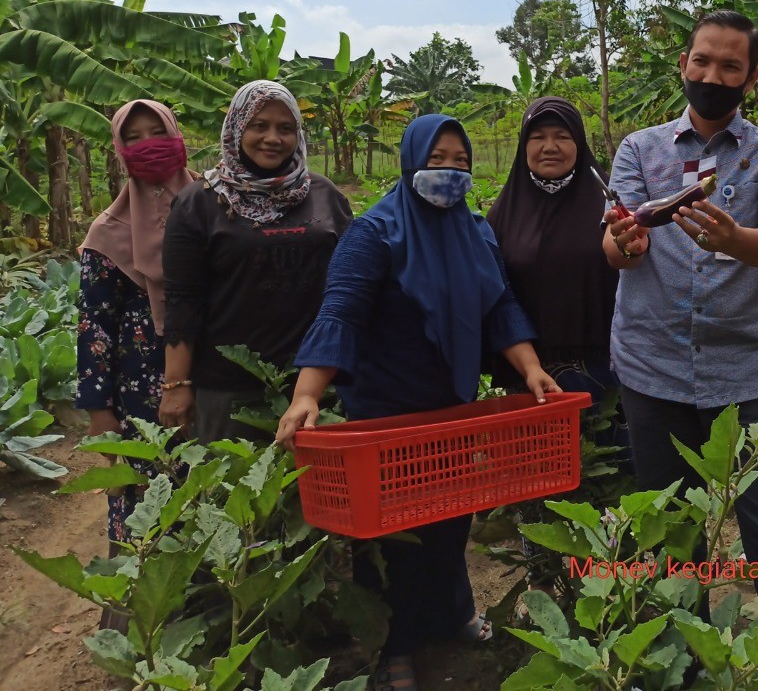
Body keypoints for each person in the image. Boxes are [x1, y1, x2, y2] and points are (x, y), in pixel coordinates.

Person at [276, 114, 559, 691]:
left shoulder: (475, 231)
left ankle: (452, 613)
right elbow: (341, 311)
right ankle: (394, 645)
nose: (450, 171)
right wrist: (307, 394)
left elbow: (500, 305)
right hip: (386, 406)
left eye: (461, 161)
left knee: (450, 519)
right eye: (438, 159)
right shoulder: (375, 232)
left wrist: (531, 369)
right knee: (392, 534)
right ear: (411, 162)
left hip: (449, 402)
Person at [603, 10, 758, 667]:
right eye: (702, 61)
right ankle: (678, 658)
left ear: (750, 79)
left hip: (741, 371)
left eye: (731, 66)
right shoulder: (639, 149)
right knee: (670, 523)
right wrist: (625, 241)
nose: (712, 75)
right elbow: (616, 247)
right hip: (652, 365)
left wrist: (734, 238)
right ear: (684, 65)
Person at [486, 96, 627, 589]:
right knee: (538, 487)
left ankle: (614, 589)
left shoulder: (609, 205)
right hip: (532, 375)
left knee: (611, 482)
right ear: (523, 146)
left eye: (563, 136)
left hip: (606, 370)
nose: (550, 146)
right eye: (538, 137)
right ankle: (544, 585)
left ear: (580, 144)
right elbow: (497, 296)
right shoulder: (502, 214)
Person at [160, 80, 351, 442]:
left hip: (316, 380)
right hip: (229, 387)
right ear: (236, 128)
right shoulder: (199, 203)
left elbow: (349, 285)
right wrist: (176, 384)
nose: (273, 138)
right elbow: (183, 300)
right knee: (233, 477)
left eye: (285, 128)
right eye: (259, 126)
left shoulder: (324, 195)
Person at [78, 100, 197, 551]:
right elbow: (94, 328)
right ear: (120, 149)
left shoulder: (214, 206)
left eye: (157, 132)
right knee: (149, 497)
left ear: (176, 135)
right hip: (140, 392)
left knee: (211, 484)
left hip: (213, 374)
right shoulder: (107, 232)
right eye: (133, 138)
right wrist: (99, 411)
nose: (148, 145)